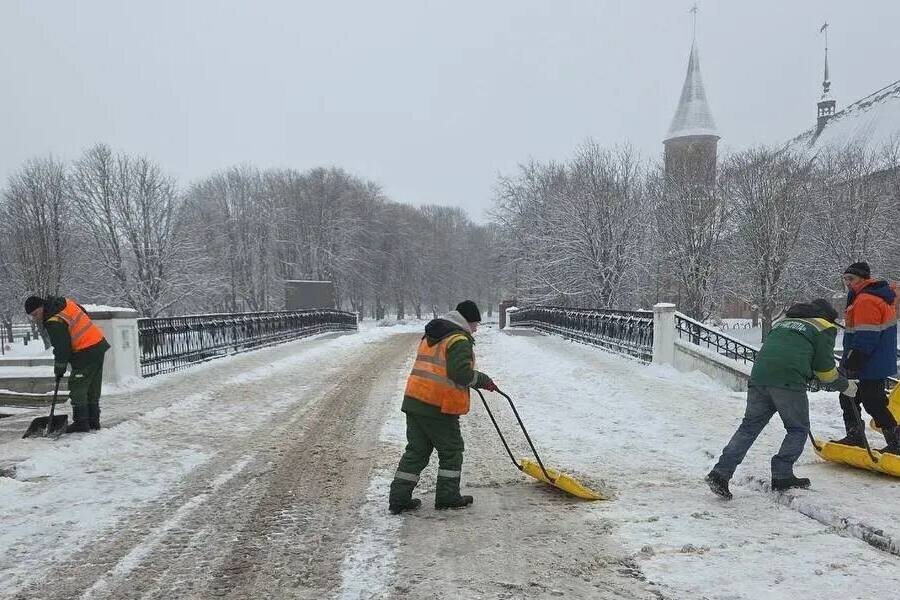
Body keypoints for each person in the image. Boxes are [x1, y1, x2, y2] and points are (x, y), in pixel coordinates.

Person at [706, 299, 854, 499]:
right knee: (797, 429)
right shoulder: (823, 327)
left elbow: (785, 352)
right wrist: (845, 386)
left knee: (748, 427)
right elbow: (825, 370)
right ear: (826, 316)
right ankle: (782, 474)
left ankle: (720, 473)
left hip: (759, 378)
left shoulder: (782, 323)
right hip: (788, 382)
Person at [388, 300, 497, 514]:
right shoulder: (458, 339)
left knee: (417, 451)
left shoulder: (434, 334)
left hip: (415, 400)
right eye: (475, 323)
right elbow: (461, 373)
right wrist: (483, 380)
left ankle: (399, 499)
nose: (475, 328)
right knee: (452, 451)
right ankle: (447, 497)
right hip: (437, 405)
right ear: (467, 320)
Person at [832, 262, 899, 454]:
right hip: (873, 359)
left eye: (851, 279)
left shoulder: (866, 300)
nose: (847, 283)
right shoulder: (868, 296)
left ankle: (894, 441)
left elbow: (867, 336)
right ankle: (857, 436)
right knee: (851, 396)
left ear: (864, 279)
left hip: (869, 360)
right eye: (845, 279)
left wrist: (852, 362)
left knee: (871, 400)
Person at [25, 296, 110, 433]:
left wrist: (59, 369)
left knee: (78, 386)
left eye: (35, 314)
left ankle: (81, 423)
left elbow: (62, 348)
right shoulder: (64, 303)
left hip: (85, 350)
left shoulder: (54, 320)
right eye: (32, 316)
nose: (35, 318)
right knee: (92, 386)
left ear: (42, 307)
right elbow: (82, 311)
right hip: (98, 344)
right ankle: (93, 421)